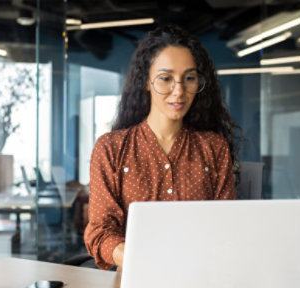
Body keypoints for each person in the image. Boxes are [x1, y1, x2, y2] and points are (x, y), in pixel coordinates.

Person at [84, 24, 240, 270]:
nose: (179, 91)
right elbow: (100, 232)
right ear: (146, 81)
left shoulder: (214, 147)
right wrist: (144, 260)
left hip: (201, 279)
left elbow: (226, 228)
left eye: (189, 78)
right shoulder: (111, 148)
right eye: (166, 79)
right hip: (134, 282)